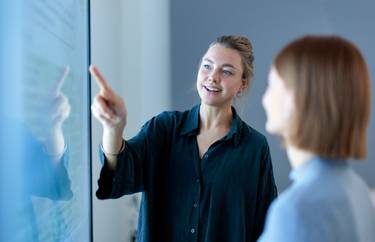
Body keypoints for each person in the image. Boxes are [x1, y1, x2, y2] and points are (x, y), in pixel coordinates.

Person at [90, 35, 277, 242]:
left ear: (242, 84)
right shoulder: (164, 129)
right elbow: (121, 175)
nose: (212, 77)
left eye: (226, 71)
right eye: (207, 66)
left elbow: (267, 227)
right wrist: (114, 128)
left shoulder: (254, 147)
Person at [258, 35, 375, 242]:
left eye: (272, 84)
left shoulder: (295, 211)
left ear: (295, 99)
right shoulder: (358, 191)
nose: (264, 99)